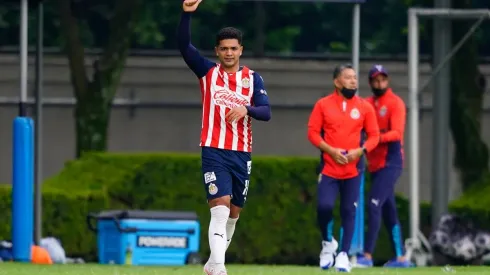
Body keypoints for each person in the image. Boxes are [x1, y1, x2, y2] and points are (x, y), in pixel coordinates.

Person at [177, 1, 271, 274]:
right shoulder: (207, 72)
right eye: (224, 48)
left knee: (234, 214)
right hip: (213, 149)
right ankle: (219, 268)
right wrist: (186, 14)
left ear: (240, 50)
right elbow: (185, 47)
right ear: (217, 51)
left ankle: (211, 264)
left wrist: (246, 109)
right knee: (219, 209)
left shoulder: (253, 79)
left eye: (234, 48)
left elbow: (266, 113)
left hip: (241, 153)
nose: (229, 53)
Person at [307, 64, 380, 272]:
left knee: (349, 210)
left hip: (353, 169)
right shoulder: (323, 105)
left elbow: (374, 136)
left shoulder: (365, 107)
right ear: (337, 82)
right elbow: (312, 133)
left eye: (355, 78)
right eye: (348, 78)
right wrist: (331, 151)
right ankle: (327, 243)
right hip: (329, 167)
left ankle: (343, 254)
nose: (353, 81)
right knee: (324, 207)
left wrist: (361, 151)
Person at [354, 64, 412, 268]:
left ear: (387, 81)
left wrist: (374, 137)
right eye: (376, 80)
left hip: (391, 162)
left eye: (383, 79)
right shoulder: (366, 104)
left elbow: (397, 133)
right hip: (375, 164)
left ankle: (367, 255)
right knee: (389, 210)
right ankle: (401, 257)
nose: (380, 83)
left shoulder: (395, 103)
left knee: (373, 203)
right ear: (370, 82)